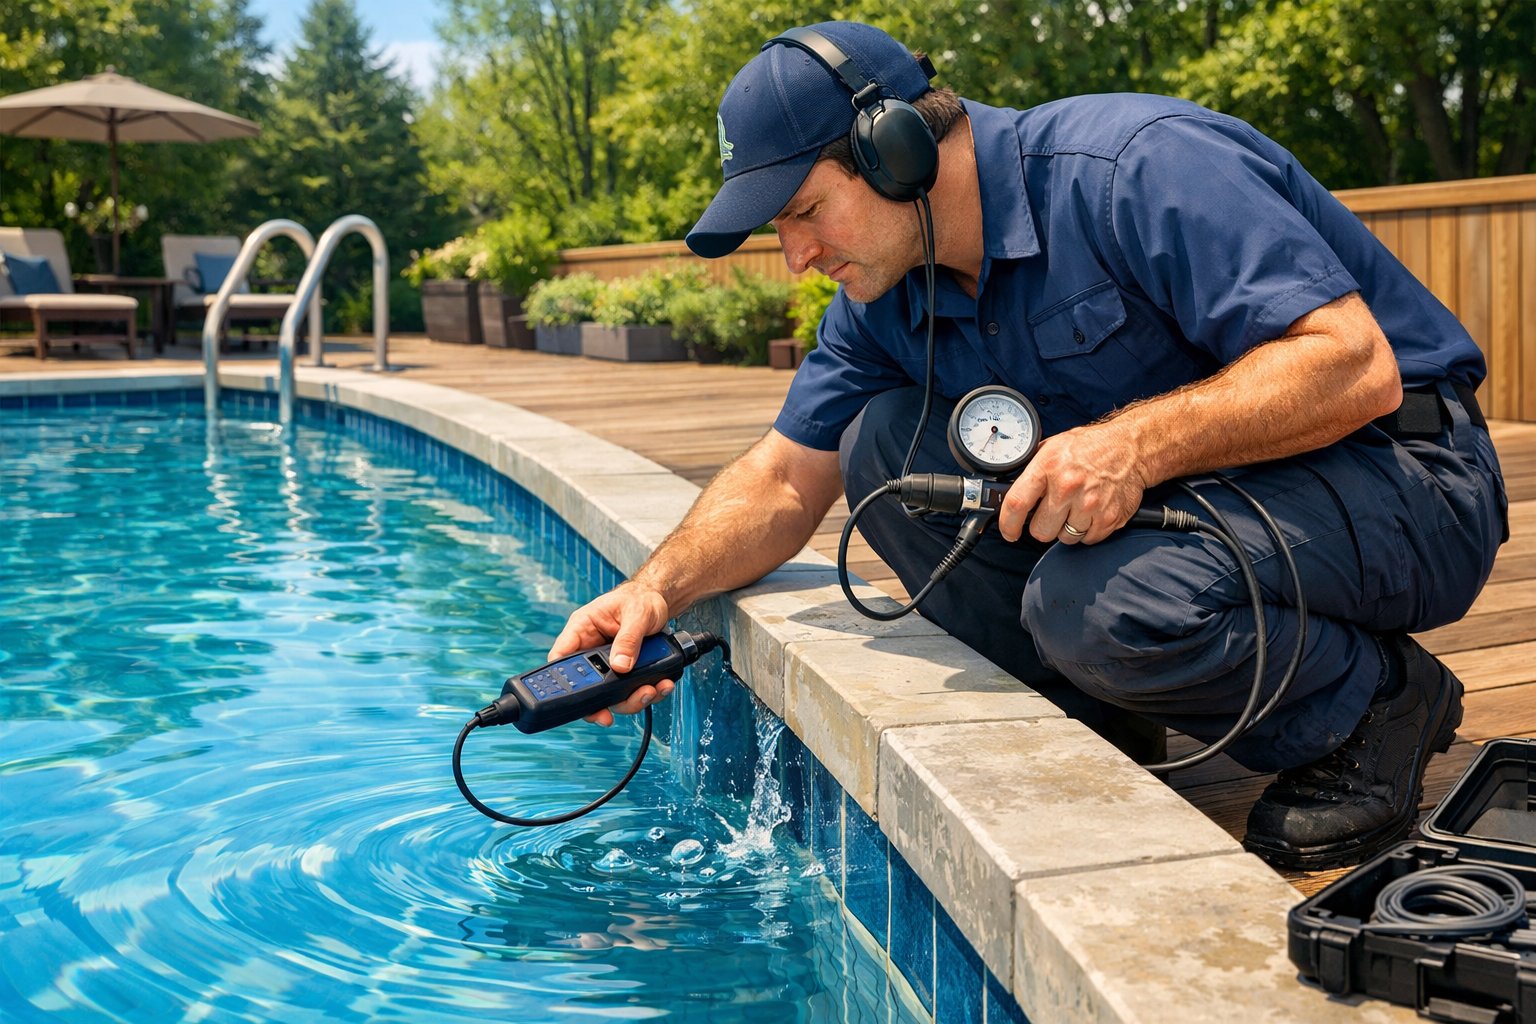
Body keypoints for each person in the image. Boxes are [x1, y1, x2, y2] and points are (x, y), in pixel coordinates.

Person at [548, 21, 1507, 871]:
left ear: (896, 149)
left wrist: (1132, 443)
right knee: (884, 442)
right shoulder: (882, 297)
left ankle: (1376, 702)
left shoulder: (1138, 164)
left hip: (1409, 474)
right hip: (1219, 507)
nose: (796, 255)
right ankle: (1101, 717)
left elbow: (1351, 365)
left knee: (1099, 606)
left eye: (803, 211)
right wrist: (655, 591)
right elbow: (781, 481)